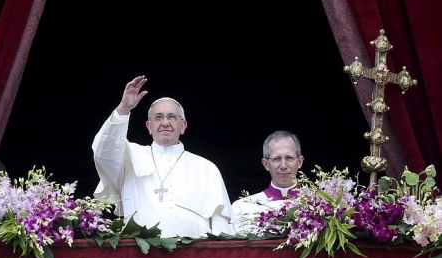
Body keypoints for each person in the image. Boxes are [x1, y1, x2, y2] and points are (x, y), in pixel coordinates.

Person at [92, 75, 235, 238]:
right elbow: (104, 151)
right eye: (158, 117)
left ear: (183, 126)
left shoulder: (206, 168)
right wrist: (123, 109)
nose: (165, 122)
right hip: (139, 255)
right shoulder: (129, 157)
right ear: (149, 126)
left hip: (193, 257)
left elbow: (221, 226)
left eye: (172, 117)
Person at [231, 130, 304, 235]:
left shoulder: (318, 205)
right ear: (266, 164)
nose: (283, 165)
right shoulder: (242, 208)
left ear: (300, 162)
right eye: (276, 159)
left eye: (289, 158)